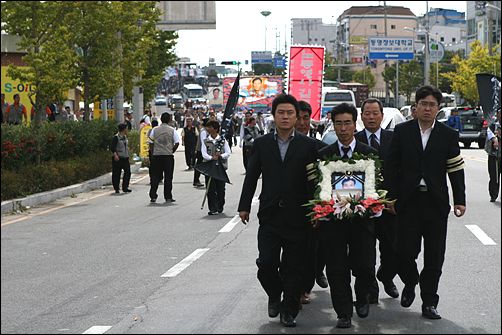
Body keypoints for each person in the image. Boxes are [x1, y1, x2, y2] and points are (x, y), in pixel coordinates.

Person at [238, 94, 321, 328]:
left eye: (290, 113)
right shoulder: (262, 144)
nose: (285, 117)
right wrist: (244, 206)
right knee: (266, 263)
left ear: (297, 117)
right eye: (281, 113)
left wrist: (317, 209)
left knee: (294, 268)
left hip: (299, 216)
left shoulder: (309, 145)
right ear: (273, 116)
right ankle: (274, 294)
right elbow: (252, 176)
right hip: (270, 215)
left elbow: (321, 177)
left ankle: (289, 310)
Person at [385, 85, 466, 320]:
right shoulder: (402, 132)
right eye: (424, 104)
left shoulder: (448, 135)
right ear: (415, 107)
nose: (428, 108)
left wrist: (459, 200)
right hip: (407, 202)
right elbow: (391, 167)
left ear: (438, 109)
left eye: (432, 105)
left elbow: (455, 169)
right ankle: (410, 282)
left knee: (435, 256)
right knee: (404, 253)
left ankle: (429, 301)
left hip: (435, 203)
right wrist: (390, 197)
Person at [317, 103, 378, 328]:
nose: (343, 129)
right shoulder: (324, 155)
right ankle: (343, 312)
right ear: (333, 126)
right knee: (336, 268)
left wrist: (373, 203)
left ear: (355, 124)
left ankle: (362, 298)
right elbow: (318, 187)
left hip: (362, 222)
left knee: (364, 265)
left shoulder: (370, 153)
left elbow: (378, 185)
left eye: (347, 123)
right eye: (339, 124)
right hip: (333, 223)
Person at [355, 98, 400, 304]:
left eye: (375, 113)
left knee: (393, 249)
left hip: (389, 206)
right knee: (364, 253)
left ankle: (386, 275)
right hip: (362, 208)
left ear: (382, 116)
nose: (371, 117)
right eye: (367, 113)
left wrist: (395, 199)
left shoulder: (395, 138)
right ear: (361, 116)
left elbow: (403, 170)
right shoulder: (354, 141)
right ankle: (370, 289)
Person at [295, 100, 329, 307]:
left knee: (312, 250)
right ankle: (293, 288)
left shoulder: (321, 148)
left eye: (305, 118)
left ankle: (305, 286)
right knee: (292, 251)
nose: (301, 122)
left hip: (314, 207)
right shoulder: (278, 145)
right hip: (288, 207)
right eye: (297, 117)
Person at [148, 112, 180, 203]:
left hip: (157, 156)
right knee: (168, 177)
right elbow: (177, 142)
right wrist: (171, 150)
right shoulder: (172, 130)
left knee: (155, 176)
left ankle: (153, 195)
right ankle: (168, 196)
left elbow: (150, 142)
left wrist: (153, 152)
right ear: (169, 120)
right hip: (168, 156)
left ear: (161, 119)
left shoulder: (155, 129)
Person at [201, 120, 231, 215]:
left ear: (215, 129)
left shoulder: (222, 140)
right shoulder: (206, 141)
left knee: (220, 188)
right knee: (210, 188)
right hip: (209, 168)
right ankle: (212, 208)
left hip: (220, 168)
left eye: (210, 127)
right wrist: (211, 158)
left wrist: (221, 156)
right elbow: (204, 153)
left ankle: (220, 205)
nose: (208, 129)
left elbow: (228, 152)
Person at [110, 123, 132, 194]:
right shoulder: (116, 137)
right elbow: (112, 147)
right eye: (126, 128)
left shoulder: (125, 137)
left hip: (125, 158)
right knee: (117, 173)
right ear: (123, 129)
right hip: (118, 158)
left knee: (128, 172)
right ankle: (116, 188)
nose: (127, 130)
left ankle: (125, 187)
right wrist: (115, 155)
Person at [485, 108, 501, 202]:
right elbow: (489, 134)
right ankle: (493, 195)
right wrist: (494, 139)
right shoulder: (492, 125)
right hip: (494, 155)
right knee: (494, 176)